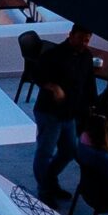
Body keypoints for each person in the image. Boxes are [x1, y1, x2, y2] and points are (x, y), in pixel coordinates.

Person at [31, 77, 77, 207]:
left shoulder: (83, 62)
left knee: (69, 150)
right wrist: (54, 87)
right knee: (45, 152)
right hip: (49, 111)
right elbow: (35, 73)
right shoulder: (53, 60)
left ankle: (50, 181)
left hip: (69, 111)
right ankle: (44, 190)